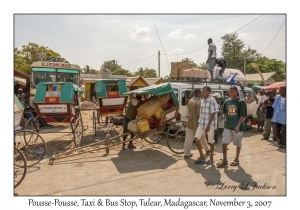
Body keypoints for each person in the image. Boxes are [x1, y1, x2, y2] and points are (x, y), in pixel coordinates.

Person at [216, 86, 247, 168]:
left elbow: (242, 115)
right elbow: (225, 113)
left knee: (238, 143)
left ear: (237, 92)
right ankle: (224, 159)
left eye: (232, 91)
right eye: (229, 92)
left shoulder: (241, 102)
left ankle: (236, 159)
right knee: (224, 142)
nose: (230, 93)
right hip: (228, 126)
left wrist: (238, 126)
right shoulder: (227, 101)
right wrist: (226, 122)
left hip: (237, 127)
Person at [194, 86, 219, 165]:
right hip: (202, 124)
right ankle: (202, 156)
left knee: (211, 142)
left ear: (209, 92)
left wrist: (208, 125)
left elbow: (213, 112)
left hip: (210, 125)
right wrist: (200, 122)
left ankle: (211, 158)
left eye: (204, 91)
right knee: (196, 139)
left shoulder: (212, 100)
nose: (202, 92)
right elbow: (202, 113)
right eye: (202, 91)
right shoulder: (202, 100)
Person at [184, 89, 211, 158]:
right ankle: (207, 149)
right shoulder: (199, 103)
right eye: (201, 93)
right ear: (199, 93)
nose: (202, 94)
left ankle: (187, 153)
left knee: (188, 138)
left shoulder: (190, 101)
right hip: (197, 123)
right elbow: (200, 114)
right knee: (202, 137)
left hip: (190, 122)